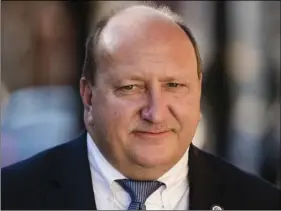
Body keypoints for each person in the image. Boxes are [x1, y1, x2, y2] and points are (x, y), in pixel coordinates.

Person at [1, 3, 280, 210]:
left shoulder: (261, 203)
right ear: (88, 98)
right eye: (130, 88)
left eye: (174, 86)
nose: (155, 113)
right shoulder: (11, 196)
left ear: (198, 92)